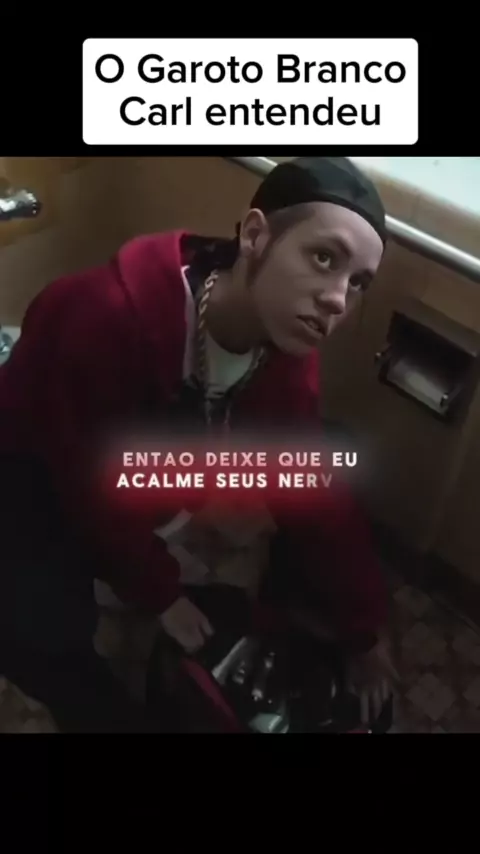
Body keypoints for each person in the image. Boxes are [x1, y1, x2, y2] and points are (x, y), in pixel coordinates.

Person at [0, 156, 394, 732]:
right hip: (31, 463)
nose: (338, 299)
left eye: (357, 283)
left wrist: (363, 632)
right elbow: (86, 486)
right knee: (40, 628)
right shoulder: (97, 316)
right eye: (324, 258)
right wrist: (159, 591)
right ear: (255, 236)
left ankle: (288, 624)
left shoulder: (285, 350)